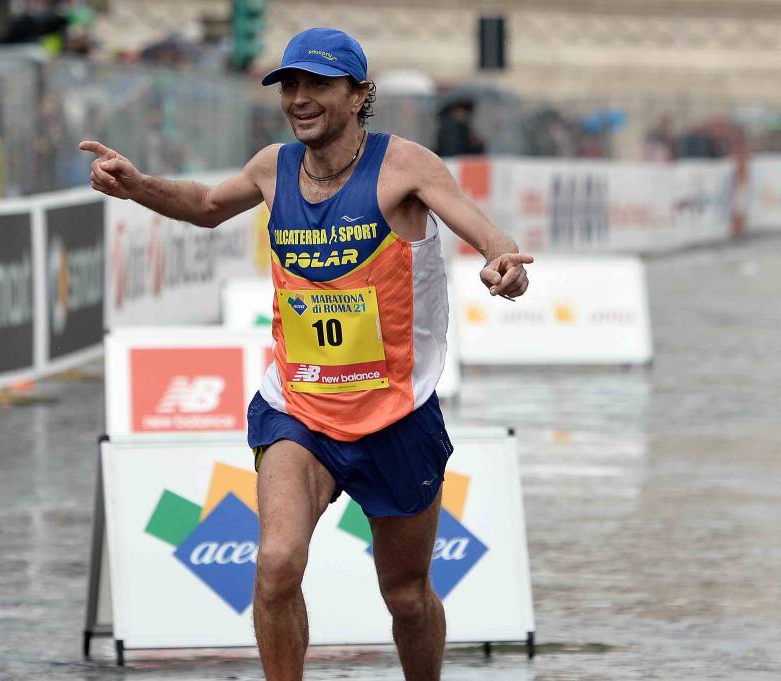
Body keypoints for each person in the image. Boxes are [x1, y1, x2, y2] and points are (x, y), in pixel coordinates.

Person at [81, 27, 532, 681]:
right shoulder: (273, 167)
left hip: (395, 415)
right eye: (290, 85)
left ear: (358, 94)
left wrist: (504, 264)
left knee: (406, 596)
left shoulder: (405, 166)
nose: (299, 98)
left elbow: (484, 230)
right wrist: (138, 185)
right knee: (276, 563)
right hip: (299, 407)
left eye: (317, 84)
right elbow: (208, 206)